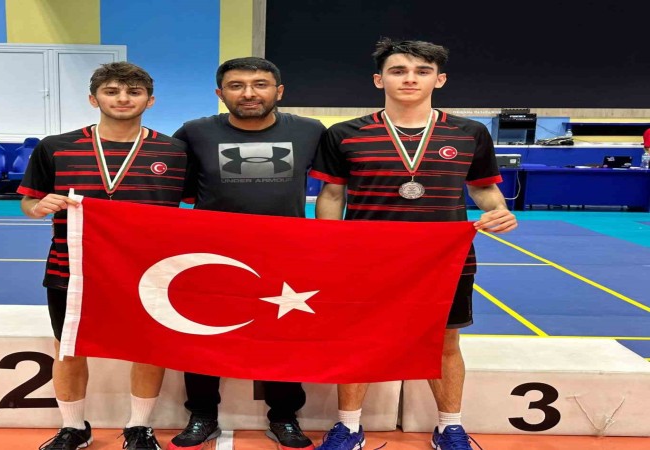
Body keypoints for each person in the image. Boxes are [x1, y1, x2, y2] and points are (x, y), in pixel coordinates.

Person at [310, 39, 517, 450]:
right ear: (379, 79)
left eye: (422, 71)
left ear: (439, 79)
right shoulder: (345, 134)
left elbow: (483, 189)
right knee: (358, 339)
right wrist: (329, 248)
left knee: (445, 342)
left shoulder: (470, 133)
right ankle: (349, 427)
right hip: (367, 259)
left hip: (445, 260)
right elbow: (332, 195)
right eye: (398, 70)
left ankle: (450, 427)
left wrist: (500, 212)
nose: (410, 79)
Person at [18, 61, 188, 450]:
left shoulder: (175, 151)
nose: (123, 99)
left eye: (134, 92)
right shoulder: (55, 147)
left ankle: (139, 427)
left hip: (147, 271)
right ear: (93, 99)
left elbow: (198, 207)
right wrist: (38, 207)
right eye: (112, 91)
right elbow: (29, 203)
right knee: (69, 349)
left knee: (148, 349)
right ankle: (73, 427)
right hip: (70, 269)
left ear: (150, 100)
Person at [167, 57, 326, 450]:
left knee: (282, 339)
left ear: (279, 91)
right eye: (236, 85)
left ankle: (284, 416)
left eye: (260, 84)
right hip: (212, 257)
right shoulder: (194, 132)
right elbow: (173, 191)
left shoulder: (310, 131)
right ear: (220, 93)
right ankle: (202, 415)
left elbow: (335, 187)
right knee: (204, 337)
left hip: (285, 256)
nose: (249, 93)